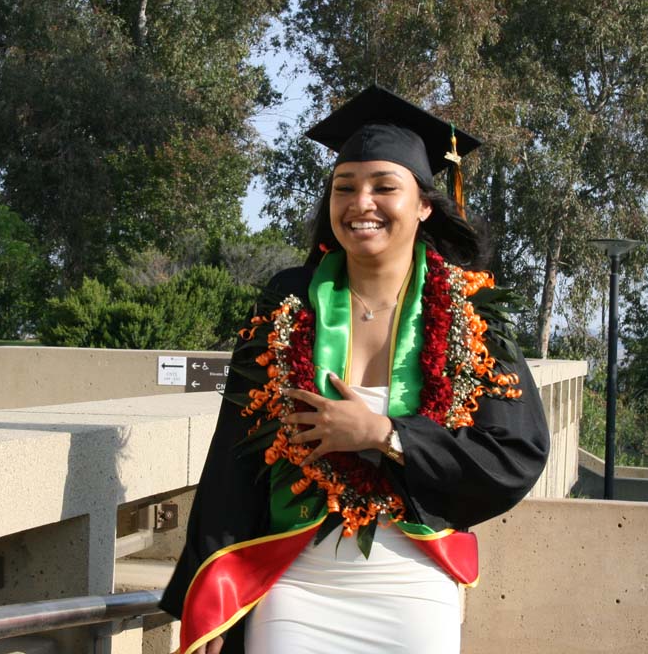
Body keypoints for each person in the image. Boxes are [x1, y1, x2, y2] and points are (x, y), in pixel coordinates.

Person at [159, 85, 550, 654]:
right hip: (294, 578)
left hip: (412, 582)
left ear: (423, 204)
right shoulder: (287, 301)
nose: (360, 202)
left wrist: (386, 435)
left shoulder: (470, 311)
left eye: (384, 187)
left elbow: (513, 454)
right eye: (345, 188)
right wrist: (210, 595)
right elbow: (234, 453)